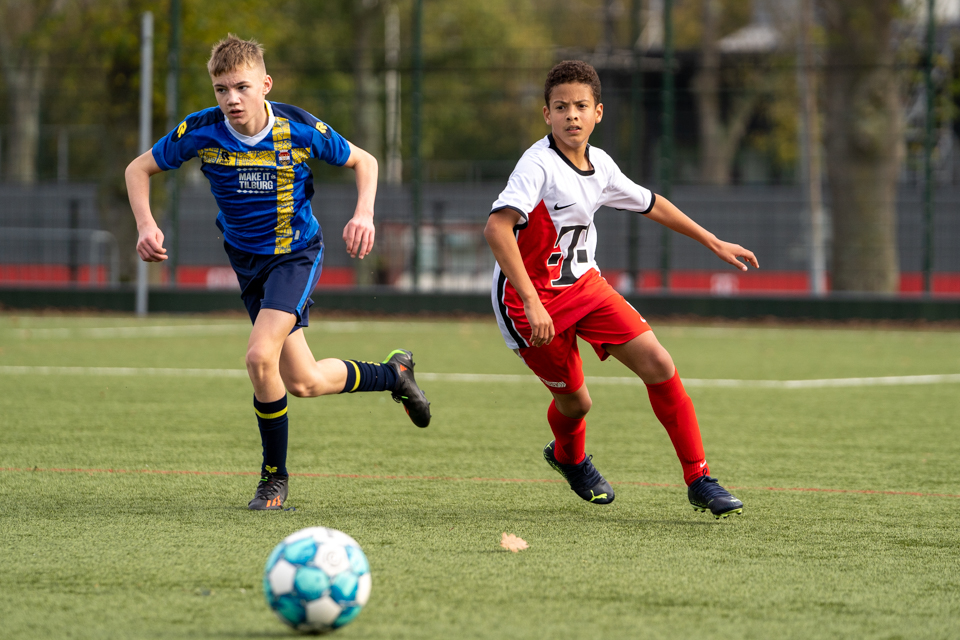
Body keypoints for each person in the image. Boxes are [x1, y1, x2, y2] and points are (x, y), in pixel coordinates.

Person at [125, 34, 431, 511]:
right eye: (221, 89)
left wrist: (364, 214)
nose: (231, 99)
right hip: (246, 261)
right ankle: (395, 375)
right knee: (303, 381)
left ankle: (274, 479)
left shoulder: (299, 130)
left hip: (294, 255)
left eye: (241, 88)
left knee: (257, 357)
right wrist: (146, 224)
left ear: (265, 85)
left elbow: (365, 162)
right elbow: (137, 169)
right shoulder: (201, 131)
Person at [483, 60, 757, 518]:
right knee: (576, 403)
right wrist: (532, 302)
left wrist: (713, 241)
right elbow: (496, 229)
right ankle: (568, 457)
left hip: (585, 287)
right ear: (546, 115)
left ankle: (700, 479)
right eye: (561, 106)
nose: (572, 115)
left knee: (659, 363)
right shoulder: (537, 166)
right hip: (529, 300)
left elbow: (652, 203)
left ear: (598, 113)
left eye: (581, 106)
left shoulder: (601, 164)